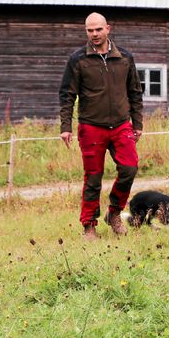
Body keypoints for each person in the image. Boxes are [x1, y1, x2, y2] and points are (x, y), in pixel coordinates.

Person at [59, 12, 143, 240]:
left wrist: (138, 123)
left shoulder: (125, 57)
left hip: (121, 125)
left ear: (108, 28)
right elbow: (67, 95)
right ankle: (89, 225)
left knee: (129, 168)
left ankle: (114, 213)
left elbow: (135, 91)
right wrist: (65, 126)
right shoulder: (78, 59)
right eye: (90, 30)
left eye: (98, 29)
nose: (94, 34)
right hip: (91, 127)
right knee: (93, 177)